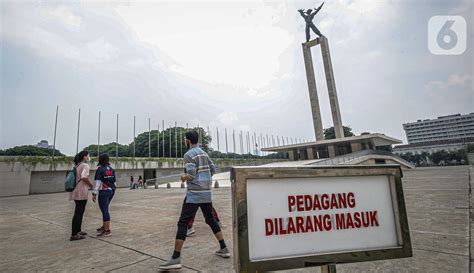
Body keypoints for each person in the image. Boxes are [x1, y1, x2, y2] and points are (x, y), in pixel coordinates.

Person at [159, 130, 230, 270]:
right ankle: (224, 248)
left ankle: (175, 258)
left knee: (183, 222)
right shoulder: (204, 153)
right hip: (206, 193)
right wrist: (205, 179)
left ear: (188, 141)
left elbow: (190, 175)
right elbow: (213, 169)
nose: (184, 142)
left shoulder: (188, 155)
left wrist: (183, 177)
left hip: (194, 193)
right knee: (210, 219)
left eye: (185, 140)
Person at [69, 151, 93, 241]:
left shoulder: (77, 165)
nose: (88, 157)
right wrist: (91, 185)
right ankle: (74, 234)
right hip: (81, 191)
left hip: (75, 190)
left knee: (79, 212)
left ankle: (78, 230)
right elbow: (84, 177)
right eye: (88, 155)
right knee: (79, 213)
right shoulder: (85, 166)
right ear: (84, 156)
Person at [92, 154, 116, 237]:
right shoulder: (111, 169)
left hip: (104, 191)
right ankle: (104, 226)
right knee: (105, 208)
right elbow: (115, 182)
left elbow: (98, 182)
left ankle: (107, 230)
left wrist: (94, 193)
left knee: (104, 210)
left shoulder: (100, 169)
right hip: (111, 191)